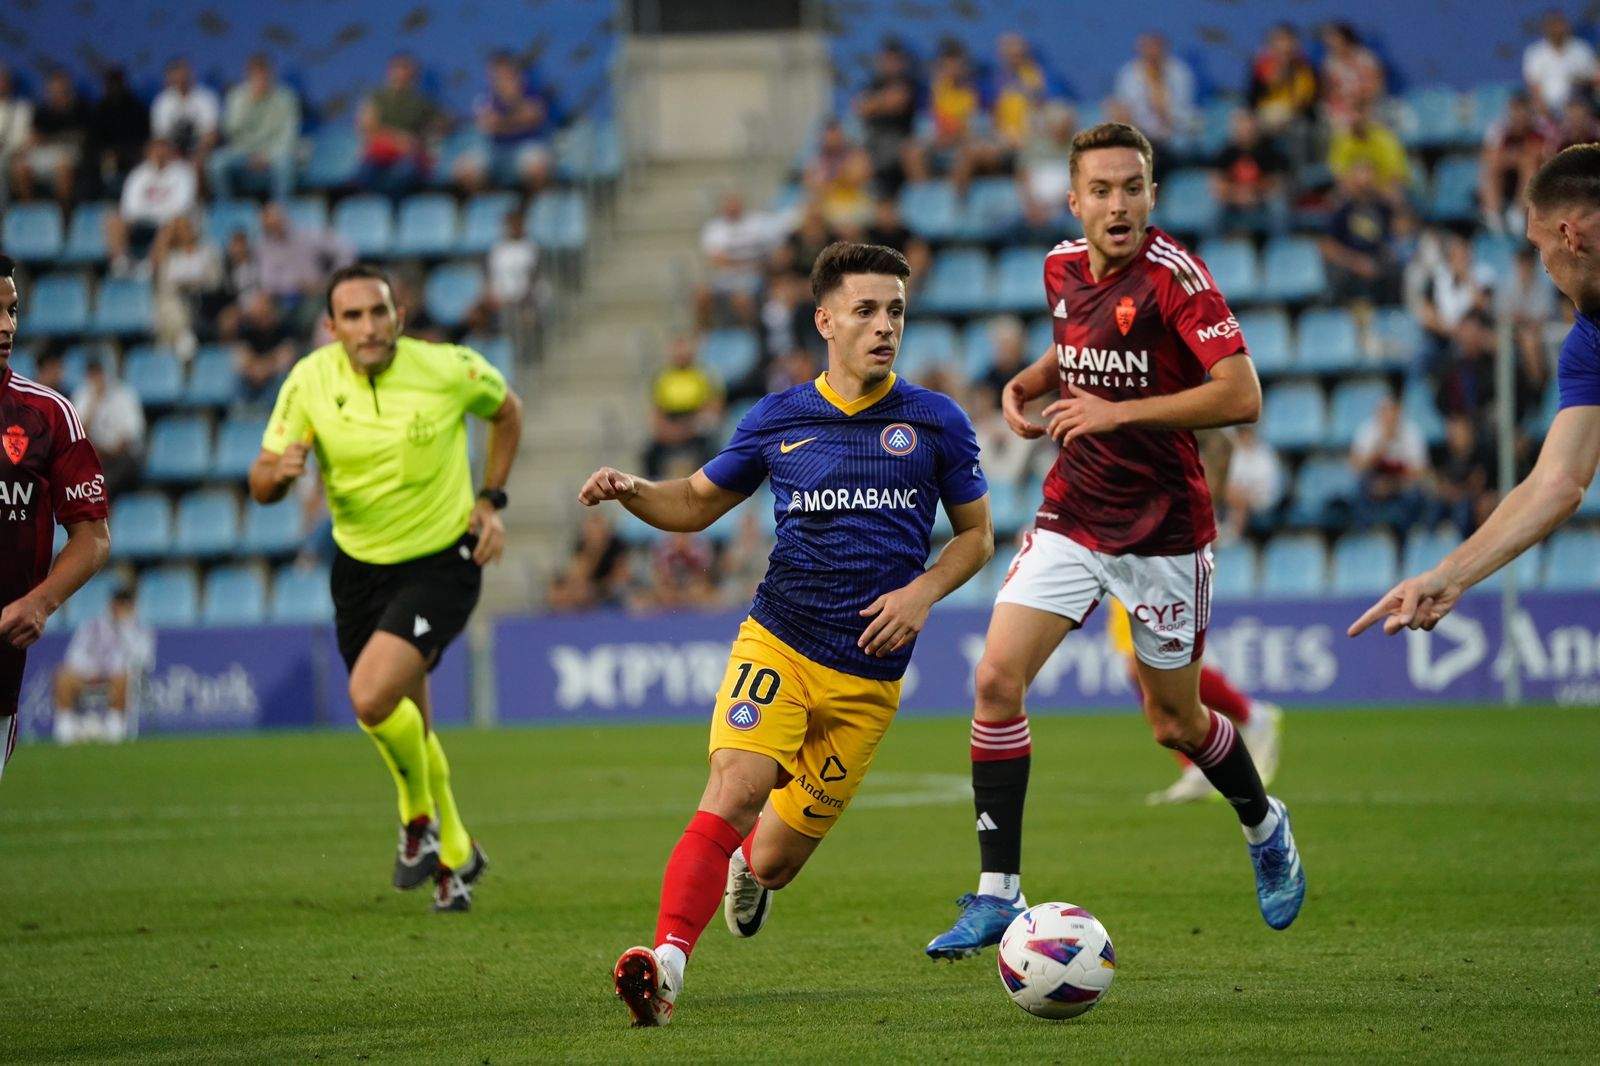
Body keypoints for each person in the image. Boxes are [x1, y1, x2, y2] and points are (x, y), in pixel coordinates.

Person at [584, 241, 992, 1026]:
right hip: (782, 641)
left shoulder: (935, 421)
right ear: (825, 320)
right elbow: (695, 502)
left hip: (868, 678)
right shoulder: (780, 418)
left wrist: (923, 592)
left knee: (771, 859)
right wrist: (633, 491)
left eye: (896, 311)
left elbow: (976, 537)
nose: (885, 326)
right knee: (736, 788)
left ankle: (749, 872)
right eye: (866, 310)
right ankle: (665, 965)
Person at [924, 122, 1303, 963]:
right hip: (1075, 511)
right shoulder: (1060, 266)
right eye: (1101, 190)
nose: (1117, 204)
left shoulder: (1178, 280)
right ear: (1074, 201)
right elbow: (1077, 342)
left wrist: (1117, 413)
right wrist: (1031, 380)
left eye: (1132, 187)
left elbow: (1241, 395)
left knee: (1174, 722)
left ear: (1152, 195)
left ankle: (1263, 823)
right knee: (995, 680)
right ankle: (997, 892)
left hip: (1164, 531)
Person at [248, 264, 524, 910]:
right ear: (331, 326)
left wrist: (490, 499)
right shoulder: (309, 381)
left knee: (371, 698)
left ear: (399, 316)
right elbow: (260, 480)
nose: (369, 327)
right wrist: (280, 476)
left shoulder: (448, 368)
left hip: (443, 561)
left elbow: (507, 412)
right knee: (409, 720)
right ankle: (455, 854)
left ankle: (415, 815)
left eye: (379, 312)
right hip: (359, 569)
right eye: (353, 316)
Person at [1351, 144, 1600, 639]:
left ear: (1568, 237)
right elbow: (1557, 482)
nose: (1542, 266)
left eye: (1537, 247)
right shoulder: (1588, 344)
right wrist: (1450, 574)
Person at [0, 253, 112, 783]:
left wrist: (39, 602)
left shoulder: (48, 415)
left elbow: (93, 536)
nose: (6, 327)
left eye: (12, 311)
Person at [52, 585, 153, 745]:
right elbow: (74, 654)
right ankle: (65, 730)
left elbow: (143, 660)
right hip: (88, 674)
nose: (120, 607)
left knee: (122, 676)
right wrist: (92, 671)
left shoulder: (140, 629)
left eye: (125, 603)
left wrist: (124, 628)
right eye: (118, 602)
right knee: (63, 675)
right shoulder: (91, 626)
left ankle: (114, 730)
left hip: (117, 677)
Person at [208, 54, 302, 202]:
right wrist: (249, 103)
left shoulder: (286, 97)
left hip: (274, 152)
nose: (261, 79)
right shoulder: (237, 96)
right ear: (248, 75)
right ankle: (227, 208)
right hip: (242, 152)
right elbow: (231, 130)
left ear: (271, 74)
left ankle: (279, 208)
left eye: (264, 74)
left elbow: (288, 134)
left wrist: (267, 155)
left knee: (285, 163)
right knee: (217, 163)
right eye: (256, 75)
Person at [105, 138, 198, 273]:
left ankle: (150, 268)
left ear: (170, 151)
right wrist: (153, 213)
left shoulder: (183, 172)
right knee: (113, 220)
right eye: (156, 149)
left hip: (170, 224)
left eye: (163, 149)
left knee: (173, 223)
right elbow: (129, 207)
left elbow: (183, 206)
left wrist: (152, 212)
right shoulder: (139, 173)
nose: (159, 153)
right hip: (141, 223)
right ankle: (121, 264)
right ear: (149, 152)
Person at [356, 54, 444, 197]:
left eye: (407, 70)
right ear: (390, 71)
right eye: (399, 69)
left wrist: (419, 142)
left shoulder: (422, 102)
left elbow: (439, 124)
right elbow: (367, 126)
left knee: (405, 173)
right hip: (379, 155)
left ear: (414, 75)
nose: (402, 74)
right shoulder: (376, 96)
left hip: (407, 157)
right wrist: (397, 139)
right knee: (363, 173)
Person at [9, 69, 90, 205]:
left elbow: (79, 138)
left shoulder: (80, 109)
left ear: (68, 89)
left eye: (61, 90)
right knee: (20, 167)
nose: (57, 93)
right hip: (44, 152)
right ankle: (29, 208)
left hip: (69, 152)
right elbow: (34, 137)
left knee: (62, 167)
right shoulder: (42, 112)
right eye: (54, 90)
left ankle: (63, 211)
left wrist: (49, 138)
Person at [71, 359, 145, 497]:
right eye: (92, 375)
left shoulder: (124, 394)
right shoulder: (83, 394)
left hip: (122, 456)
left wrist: (110, 451)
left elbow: (131, 435)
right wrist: (93, 403)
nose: (97, 379)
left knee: (109, 475)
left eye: (99, 373)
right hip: (97, 454)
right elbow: (78, 433)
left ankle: (98, 496)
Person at [1522, 10, 1597, 114]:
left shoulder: (1581, 49)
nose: (1556, 29)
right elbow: (1533, 85)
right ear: (1545, 28)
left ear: (1566, 26)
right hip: (1546, 108)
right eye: (1552, 25)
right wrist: (1543, 107)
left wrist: (1580, 80)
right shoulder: (1535, 52)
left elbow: (1595, 78)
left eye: (1559, 25)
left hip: (1578, 107)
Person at [150, 57, 220, 163]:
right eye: (176, 74)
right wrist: (174, 158)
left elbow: (211, 134)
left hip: (204, 153)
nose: (181, 78)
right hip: (172, 155)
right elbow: (161, 138)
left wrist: (198, 155)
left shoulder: (206, 97)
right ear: (169, 77)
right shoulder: (162, 102)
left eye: (183, 73)